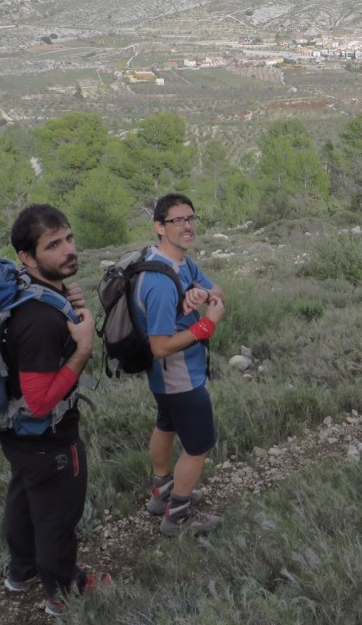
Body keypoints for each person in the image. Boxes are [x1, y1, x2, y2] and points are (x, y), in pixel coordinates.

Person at [0, 203, 110, 615]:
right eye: (53, 244)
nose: (69, 249)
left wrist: (66, 297)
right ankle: (65, 591)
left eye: (69, 238)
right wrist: (82, 349)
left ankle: (22, 570)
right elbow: (41, 402)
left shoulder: (27, 292)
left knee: (26, 497)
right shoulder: (38, 319)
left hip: (17, 435)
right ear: (27, 257)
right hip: (48, 440)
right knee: (57, 514)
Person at [133, 192, 225, 536]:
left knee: (166, 425)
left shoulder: (181, 264)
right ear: (159, 227)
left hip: (166, 379)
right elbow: (159, 347)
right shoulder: (159, 282)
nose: (187, 226)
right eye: (177, 221)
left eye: (190, 218)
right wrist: (207, 325)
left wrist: (205, 295)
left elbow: (219, 291)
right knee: (199, 445)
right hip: (179, 376)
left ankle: (161, 493)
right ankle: (178, 515)